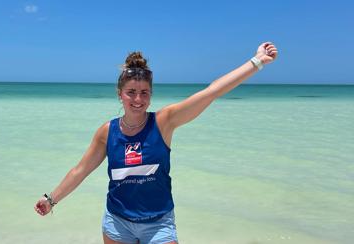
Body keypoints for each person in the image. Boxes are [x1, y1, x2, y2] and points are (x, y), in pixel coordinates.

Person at [34, 42, 278, 243]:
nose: (138, 99)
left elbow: (211, 92)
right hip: (117, 223)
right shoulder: (107, 132)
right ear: (120, 94)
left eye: (144, 93)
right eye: (131, 92)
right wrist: (51, 199)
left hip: (159, 223)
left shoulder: (164, 121)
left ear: (151, 95)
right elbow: (80, 171)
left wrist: (256, 62)